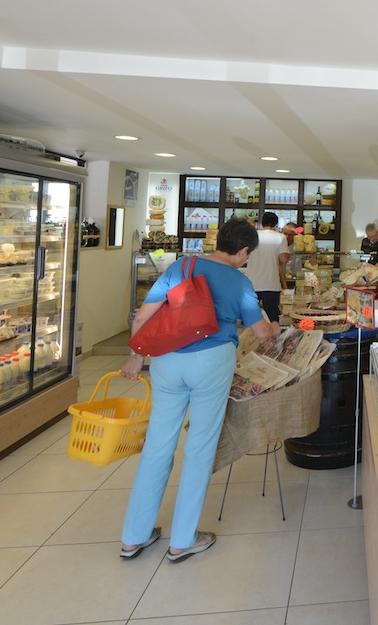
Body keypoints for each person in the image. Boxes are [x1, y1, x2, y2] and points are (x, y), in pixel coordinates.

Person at [118, 218, 280, 563]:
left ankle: (134, 536)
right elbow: (261, 331)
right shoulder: (239, 281)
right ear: (243, 251)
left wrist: (136, 356)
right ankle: (182, 540)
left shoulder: (181, 266)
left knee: (158, 445)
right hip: (211, 361)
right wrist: (275, 328)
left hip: (167, 359)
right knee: (200, 448)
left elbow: (142, 318)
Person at [243, 212, 289, 321]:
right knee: (272, 319)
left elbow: (244, 255)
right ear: (276, 225)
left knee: (250, 319)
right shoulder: (280, 237)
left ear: (261, 223)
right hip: (271, 284)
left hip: (252, 283)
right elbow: (284, 259)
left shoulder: (252, 235)